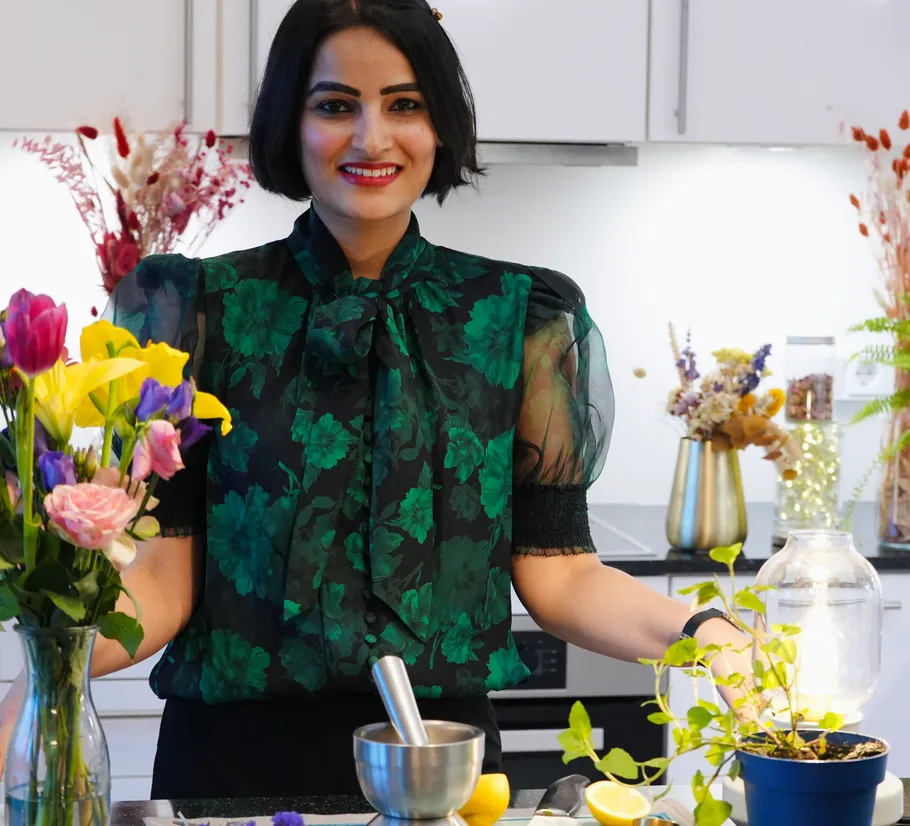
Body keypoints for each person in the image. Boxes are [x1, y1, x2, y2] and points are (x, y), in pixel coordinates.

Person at [0, 0, 752, 799]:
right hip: (227, 774)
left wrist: (706, 632)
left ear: (440, 124)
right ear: (291, 121)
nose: (371, 138)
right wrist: (51, 667)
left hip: (445, 772)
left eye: (404, 104)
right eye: (335, 106)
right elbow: (162, 583)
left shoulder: (517, 318)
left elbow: (561, 577)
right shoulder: (198, 310)